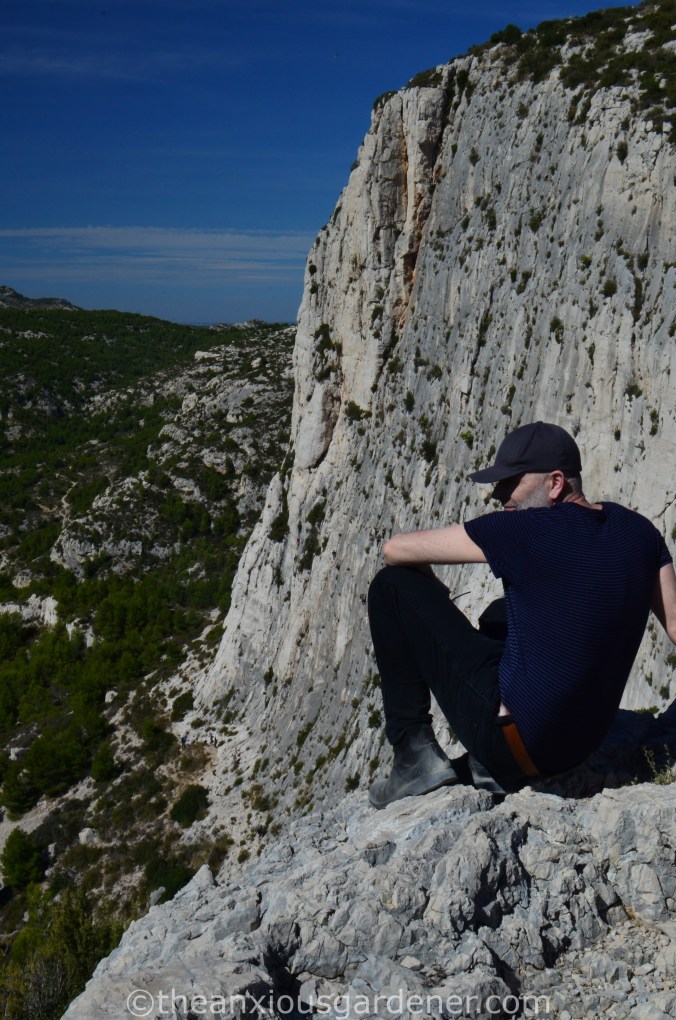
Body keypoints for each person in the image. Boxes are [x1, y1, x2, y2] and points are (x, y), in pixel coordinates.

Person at [367, 421, 676, 808]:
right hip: (579, 746)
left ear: (555, 482)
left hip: (517, 750)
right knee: (500, 613)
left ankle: (414, 756)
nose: (500, 496)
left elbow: (395, 550)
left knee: (391, 587)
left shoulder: (522, 529)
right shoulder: (642, 532)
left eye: (510, 482)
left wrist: (431, 585)